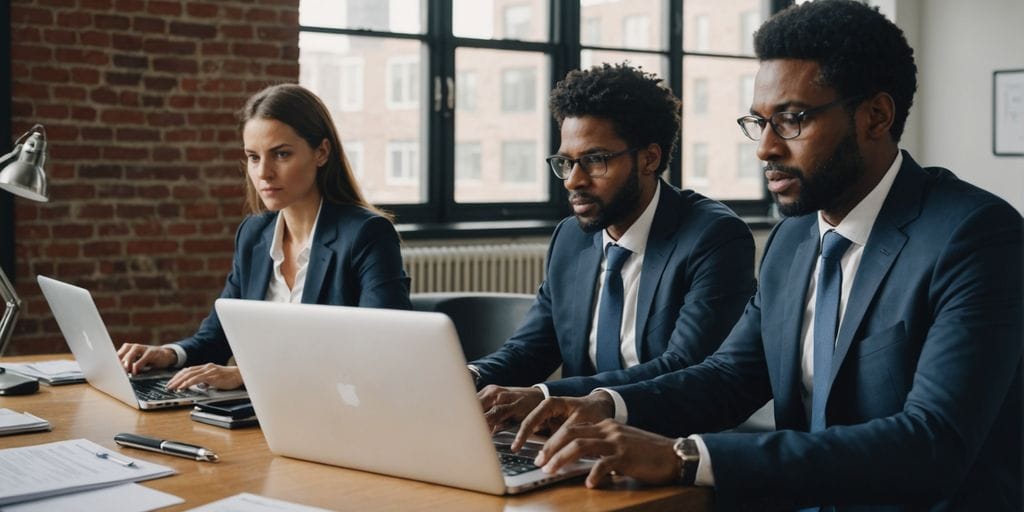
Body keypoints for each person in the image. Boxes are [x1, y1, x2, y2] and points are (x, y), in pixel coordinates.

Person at [510, 2, 1023, 509]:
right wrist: (603, 404)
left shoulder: (976, 237)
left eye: (792, 119)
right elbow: (729, 376)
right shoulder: (793, 239)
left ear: (875, 116)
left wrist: (689, 456)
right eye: (759, 122)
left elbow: (930, 442)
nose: (765, 148)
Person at [472, 63, 756, 431]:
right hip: (577, 440)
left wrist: (545, 396)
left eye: (595, 160)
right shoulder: (571, 238)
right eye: (566, 162)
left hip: (665, 441)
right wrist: (468, 376)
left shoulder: (713, 237)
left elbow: (685, 365)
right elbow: (532, 348)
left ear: (649, 158)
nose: (574, 180)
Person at [117, 84, 413, 391]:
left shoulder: (366, 234)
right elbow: (219, 335)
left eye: (281, 154)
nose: (264, 173)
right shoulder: (254, 233)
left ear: (321, 152)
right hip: (261, 409)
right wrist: (168, 354)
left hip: (338, 410)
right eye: (253, 157)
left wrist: (249, 374)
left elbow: (381, 350)